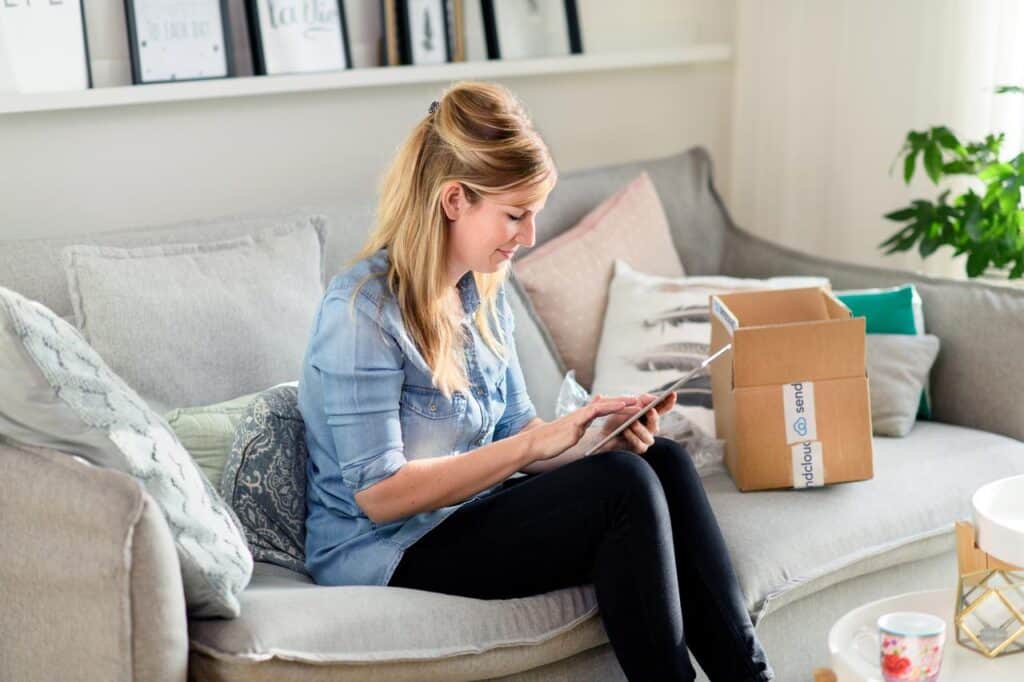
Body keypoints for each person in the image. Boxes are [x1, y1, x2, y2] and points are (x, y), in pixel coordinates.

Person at [297, 81, 775, 682]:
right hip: (388, 549)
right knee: (622, 487)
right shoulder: (362, 311)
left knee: (664, 462)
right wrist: (531, 447)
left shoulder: (483, 292)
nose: (528, 237)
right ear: (454, 201)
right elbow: (380, 494)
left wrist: (592, 436)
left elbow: (520, 428)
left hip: (470, 511)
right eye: (515, 215)